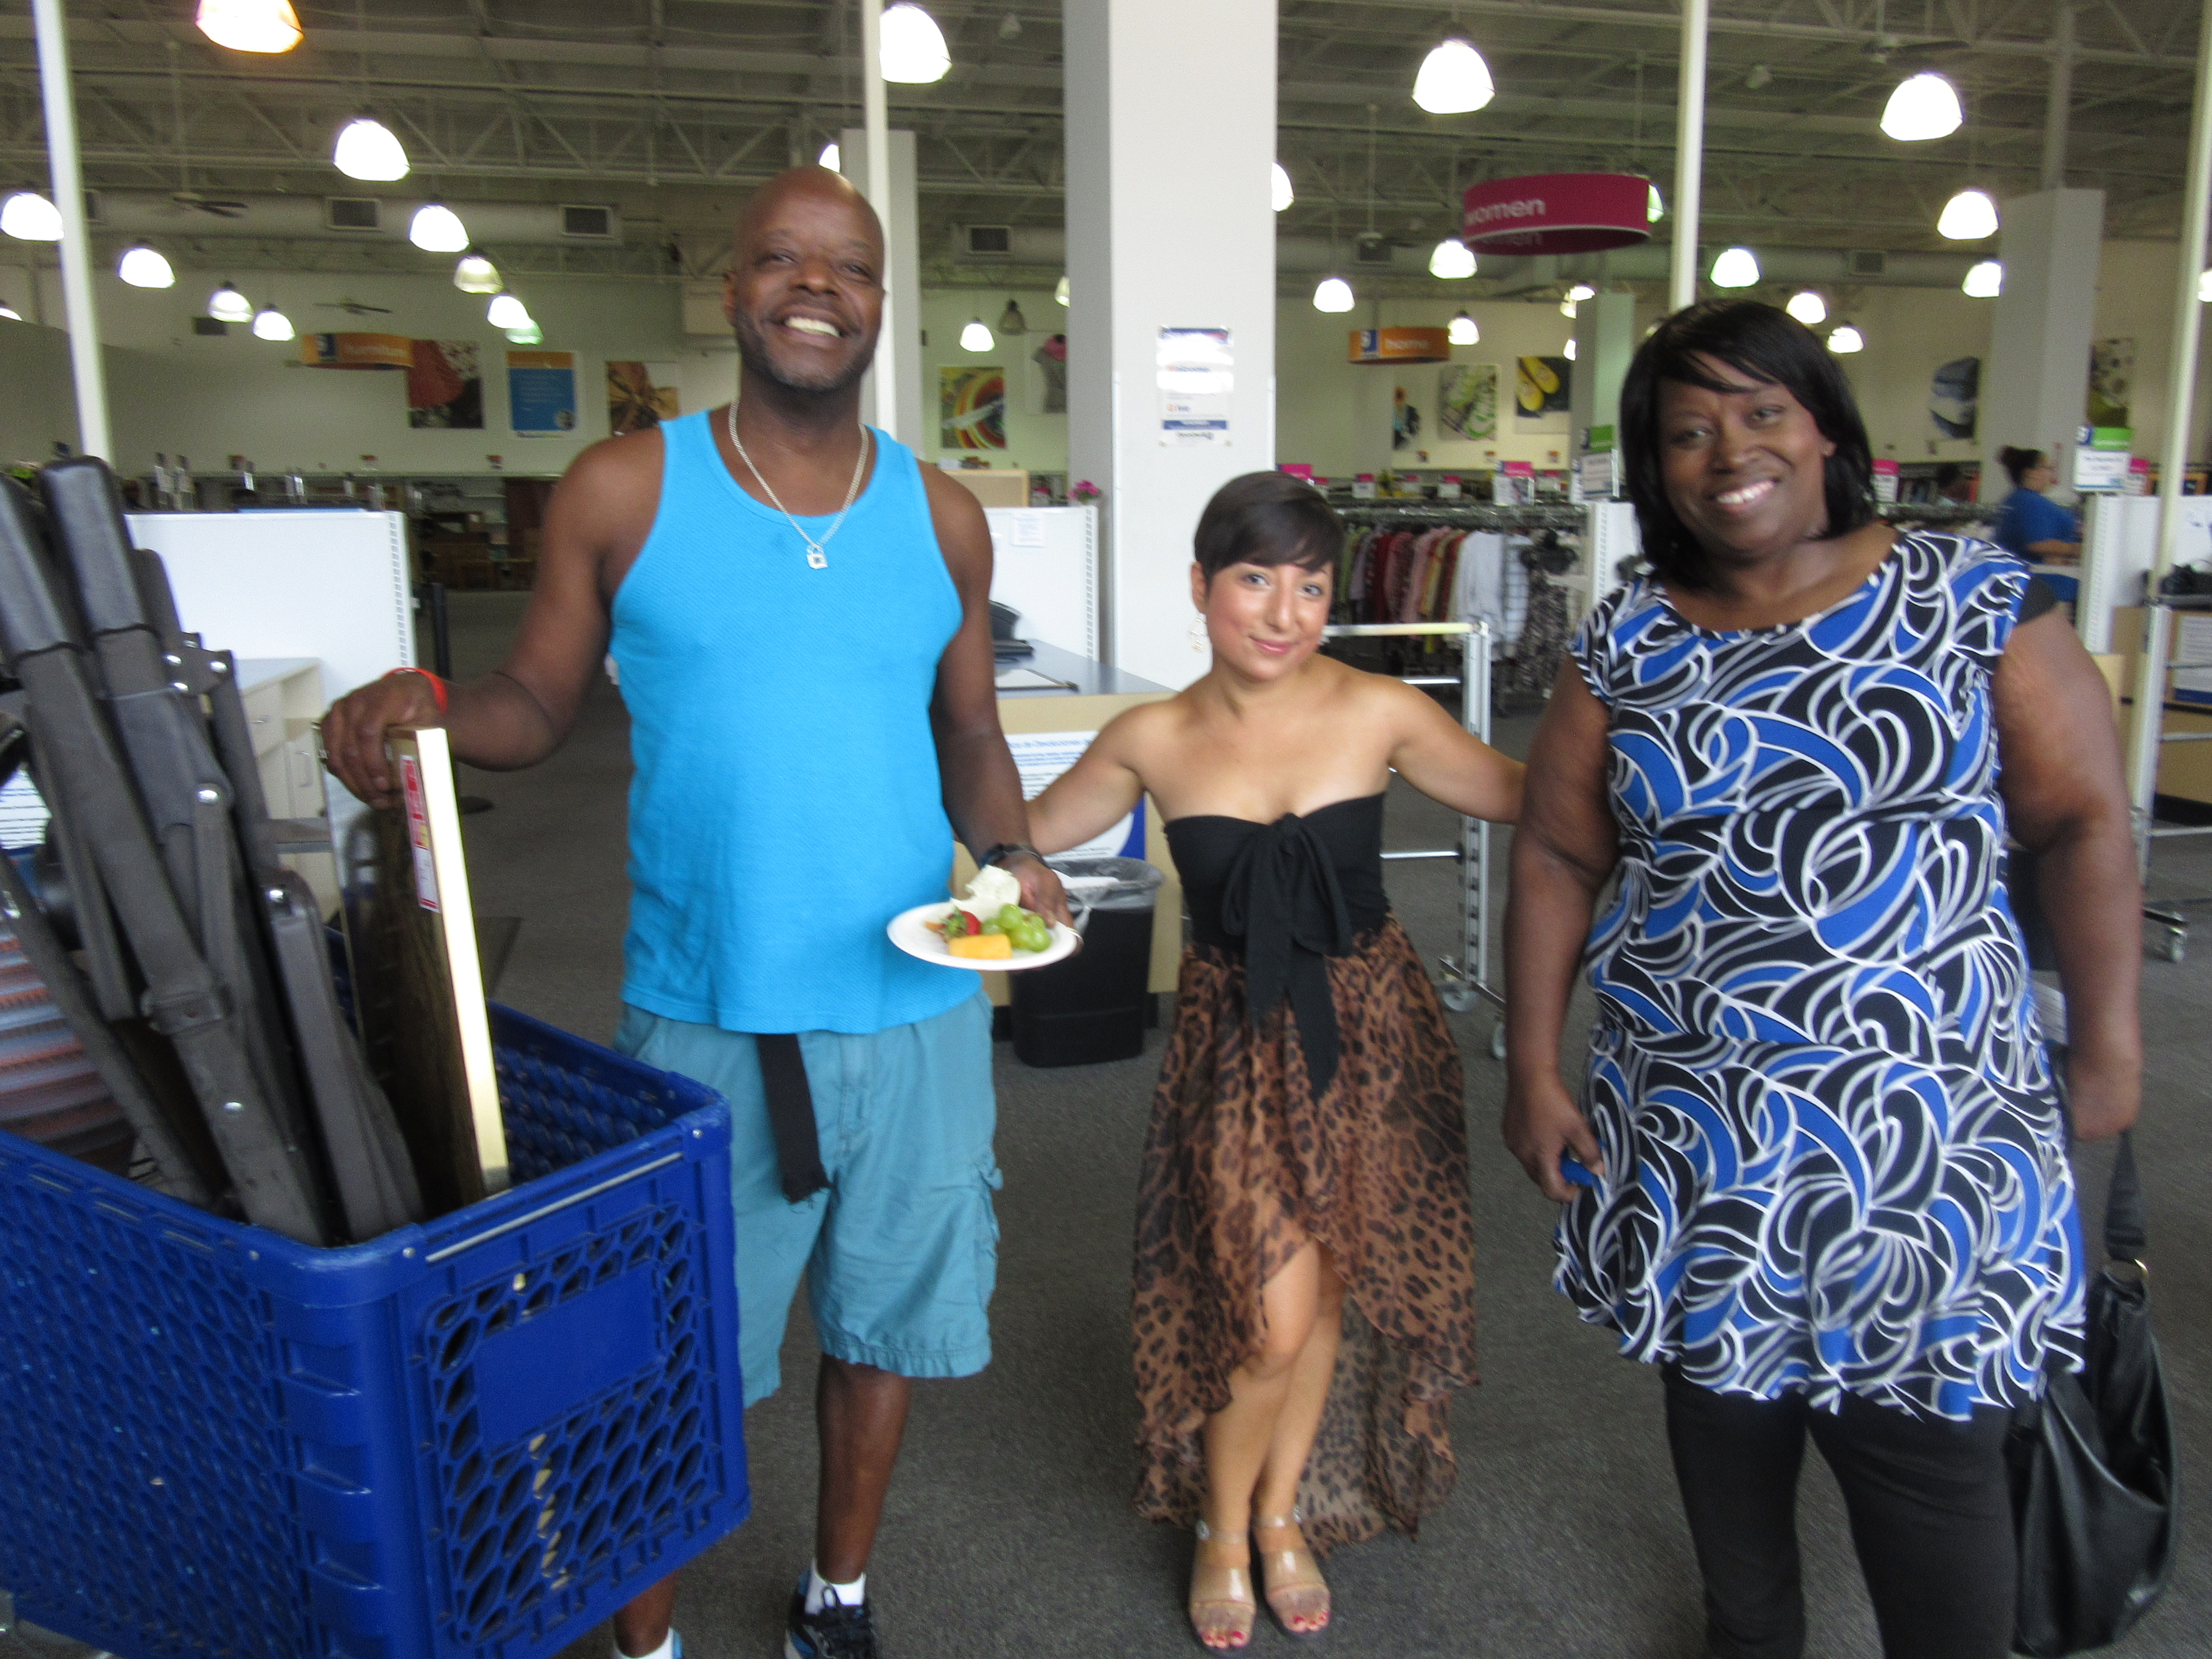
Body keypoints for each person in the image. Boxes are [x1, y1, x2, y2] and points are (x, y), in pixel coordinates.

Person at [323, 165, 1065, 1659]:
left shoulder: (943, 514)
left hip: (917, 1011)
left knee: (884, 1331)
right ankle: (646, 1645)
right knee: (663, 1360)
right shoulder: (627, 485)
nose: (816, 287)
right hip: (705, 1018)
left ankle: (837, 1599)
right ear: (731, 291)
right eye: (782, 260)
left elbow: (971, 734)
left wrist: (1014, 857)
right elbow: (538, 700)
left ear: (878, 302)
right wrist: (434, 706)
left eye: (847, 268)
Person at [1503, 299, 2140, 1659]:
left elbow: (2085, 818)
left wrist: (2110, 1043)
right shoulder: (1629, 638)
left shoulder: (1971, 598)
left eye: (1761, 410)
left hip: (1926, 1134)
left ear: (1829, 431)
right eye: (1685, 430)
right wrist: (1535, 1068)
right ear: (1653, 470)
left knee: (1927, 1462)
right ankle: (1754, 1637)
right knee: (1725, 1416)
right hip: (1700, 1123)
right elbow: (1560, 852)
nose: (1726, 449)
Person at [1027, 472, 1523, 1650]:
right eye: (1255, 577)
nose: (1284, 610)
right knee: (1269, 1317)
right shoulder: (1151, 734)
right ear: (1200, 586)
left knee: (1331, 1281)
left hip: (1373, 1033)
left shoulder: (1382, 708)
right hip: (1233, 1041)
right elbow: (1027, 827)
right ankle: (1221, 1523)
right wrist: (964, 817)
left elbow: (1522, 793)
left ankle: (1283, 1509)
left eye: (1310, 584)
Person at [1992, 445, 2082, 561]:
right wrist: (2080, 550)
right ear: (2031, 473)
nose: (2051, 473)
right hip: (2042, 575)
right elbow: (2039, 545)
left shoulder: (2014, 499)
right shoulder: (2031, 502)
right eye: (2048, 468)